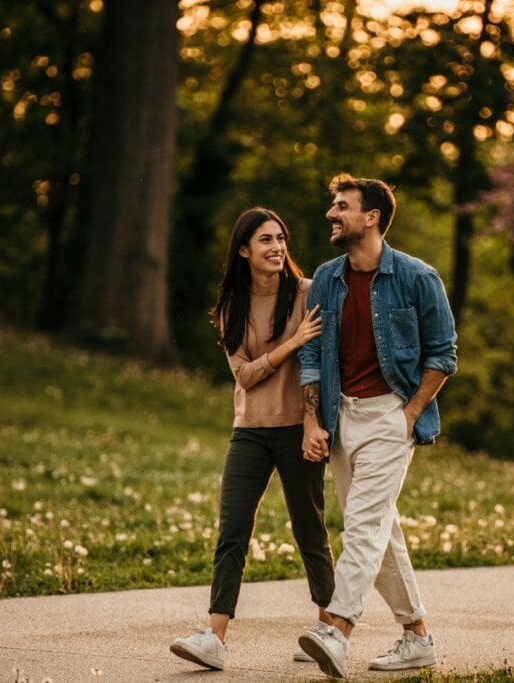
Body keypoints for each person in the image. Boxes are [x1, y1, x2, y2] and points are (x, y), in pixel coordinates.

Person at [296, 174, 458, 678]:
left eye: (341, 206)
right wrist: (312, 418)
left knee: (363, 525)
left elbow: (444, 354)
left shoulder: (417, 278)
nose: (331, 213)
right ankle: (418, 638)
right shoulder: (327, 278)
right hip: (343, 417)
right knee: (381, 531)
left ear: (371, 218)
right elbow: (310, 352)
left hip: (392, 414)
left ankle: (337, 630)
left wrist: (407, 417)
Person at [169, 207, 336, 671]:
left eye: (281, 238)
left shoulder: (306, 294)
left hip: (297, 427)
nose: (277, 247)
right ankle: (214, 638)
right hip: (249, 431)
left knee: (309, 528)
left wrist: (311, 421)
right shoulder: (231, 307)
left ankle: (326, 630)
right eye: (265, 240)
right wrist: (290, 342)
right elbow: (244, 376)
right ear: (244, 250)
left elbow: (317, 361)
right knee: (232, 531)